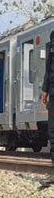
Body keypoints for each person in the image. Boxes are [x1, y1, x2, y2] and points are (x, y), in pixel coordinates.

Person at [40, 30, 54, 172]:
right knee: (52, 133)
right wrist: (45, 89)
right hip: (52, 92)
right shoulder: (52, 36)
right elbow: (49, 67)